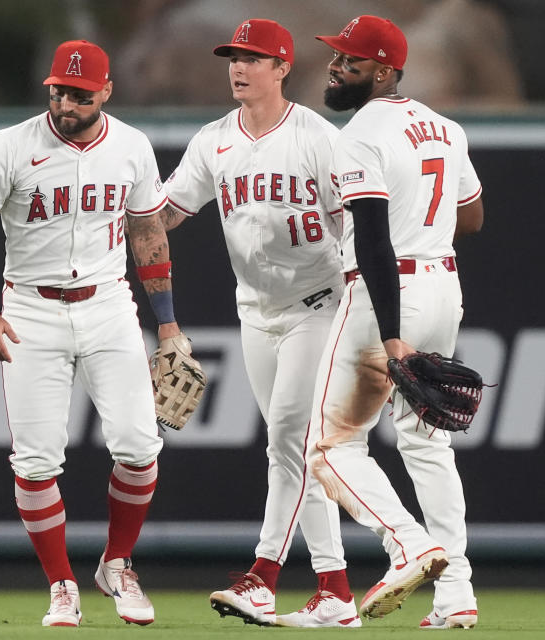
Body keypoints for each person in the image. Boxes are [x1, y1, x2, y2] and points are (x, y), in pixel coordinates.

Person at [0, 40, 189, 627]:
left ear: (106, 92)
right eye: (59, 89)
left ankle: (118, 564)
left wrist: (169, 324)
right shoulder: (11, 145)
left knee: (139, 446)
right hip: (30, 310)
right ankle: (61, 585)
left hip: (108, 304)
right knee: (34, 463)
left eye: (80, 94)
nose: (66, 102)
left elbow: (149, 237)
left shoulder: (130, 146)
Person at [160, 19, 359, 628]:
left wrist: (360, 297)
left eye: (252, 57)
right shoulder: (213, 140)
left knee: (287, 443)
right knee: (297, 451)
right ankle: (336, 591)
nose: (238, 67)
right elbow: (166, 212)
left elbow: (357, 218)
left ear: (281, 69)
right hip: (255, 311)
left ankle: (264, 576)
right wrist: (117, 218)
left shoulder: (318, 137)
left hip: (317, 306)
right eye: (233, 57)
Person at [309, 15, 484, 629]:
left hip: (390, 293)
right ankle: (457, 592)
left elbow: (374, 243)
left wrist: (390, 334)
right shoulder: (445, 127)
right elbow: (473, 216)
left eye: (349, 61)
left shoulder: (358, 135)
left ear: (383, 71)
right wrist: (425, 219)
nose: (335, 68)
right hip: (443, 283)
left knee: (329, 448)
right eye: (336, 57)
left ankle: (408, 543)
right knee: (428, 443)